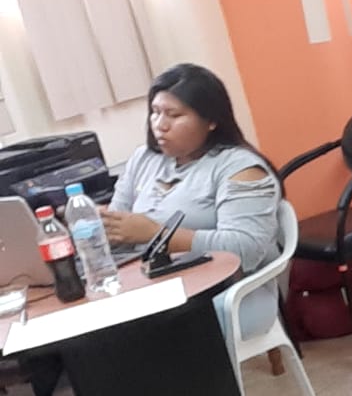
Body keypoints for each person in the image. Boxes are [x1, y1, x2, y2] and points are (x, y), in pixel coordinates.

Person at [105, 63, 281, 336]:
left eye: (174, 115)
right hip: (154, 289)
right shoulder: (143, 159)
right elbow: (118, 227)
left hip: (228, 295)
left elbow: (247, 249)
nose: (160, 125)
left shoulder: (241, 168)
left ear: (211, 121)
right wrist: (94, 228)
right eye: (155, 112)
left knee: (120, 339)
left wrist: (157, 235)